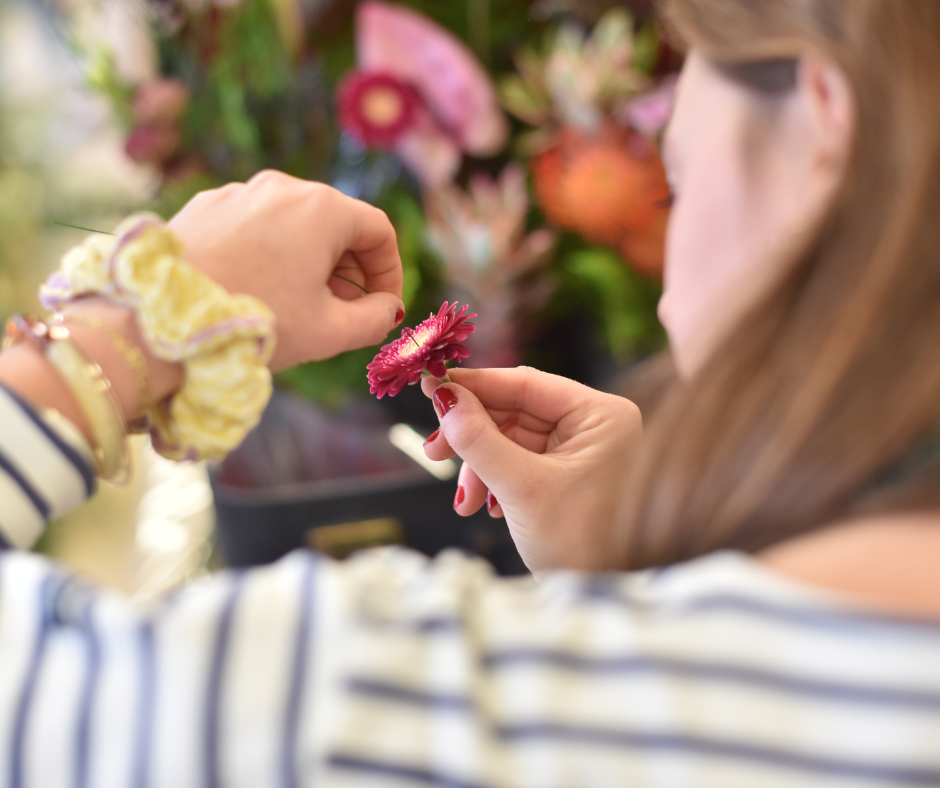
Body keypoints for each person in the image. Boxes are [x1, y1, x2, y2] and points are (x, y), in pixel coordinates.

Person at [0, 0, 939, 785]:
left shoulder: (397, 701)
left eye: (674, 188)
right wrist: (626, 576)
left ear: (823, 125)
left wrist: (143, 323)